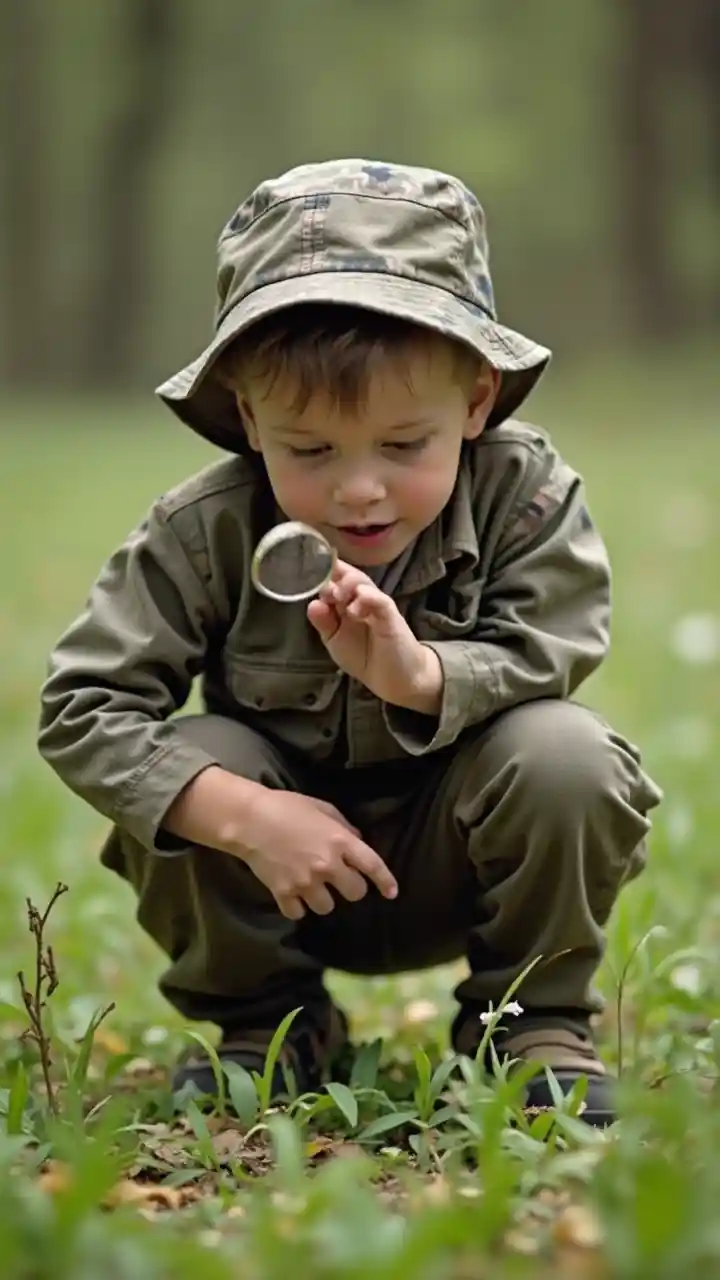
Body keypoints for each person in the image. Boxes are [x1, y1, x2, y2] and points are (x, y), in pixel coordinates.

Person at [37, 159, 662, 1126]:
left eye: (404, 446)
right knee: (196, 758)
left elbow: (556, 642)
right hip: (278, 873)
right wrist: (241, 816)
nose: (359, 490)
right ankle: (270, 1026)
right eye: (311, 451)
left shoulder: (526, 495)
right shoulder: (206, 528)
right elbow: (84, 708)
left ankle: (529, 1022)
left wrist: (419, 674)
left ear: (476, 400)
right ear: (250, 420)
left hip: (460, 857)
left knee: (568, 754)